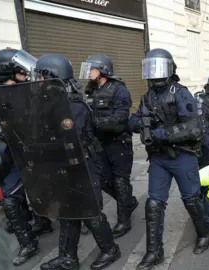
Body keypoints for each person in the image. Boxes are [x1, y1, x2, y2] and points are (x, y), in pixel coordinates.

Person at [29, 54, 120, 270]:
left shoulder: (74, 106)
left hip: (82, 168)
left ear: (53, 78)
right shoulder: (52, 104)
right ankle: (68, 258)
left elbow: (70, 141)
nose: (39, 81)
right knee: (68, 213)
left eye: (42, 77)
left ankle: (110, 249)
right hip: (62, 167)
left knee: (91, 212)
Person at [129, 48, 209, 269]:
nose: (155, 74)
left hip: (182, 155)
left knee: (191, 199)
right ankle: (154, 251)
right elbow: (133, 121)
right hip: (159, 158)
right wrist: (140, 124)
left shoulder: (181, 93)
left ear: (170, 69)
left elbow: (194, 128)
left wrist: (159, 133)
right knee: (154, 203)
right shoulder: (147, 97)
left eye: (159, 68)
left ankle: (204, 233)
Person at [0, 48, 53, 266]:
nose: (25, 71)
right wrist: (1, 129)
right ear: (7, 71)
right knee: (10, 201)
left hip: (34, 150)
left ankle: (43, 220)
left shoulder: (27, 89)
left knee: (45, 190)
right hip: (9, 155)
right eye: (19, 68)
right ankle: (28, 243)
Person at [81, 54, 138, 239]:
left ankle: (124, 220)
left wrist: (97, 123)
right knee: (104, 180)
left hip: (118, 143)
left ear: (102, 70)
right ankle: (128, 201)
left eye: (92, 69)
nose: (88, 72)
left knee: (120, 181)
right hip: (99, 144)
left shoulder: (119, 89)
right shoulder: (92, 90)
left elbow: (121, 118)